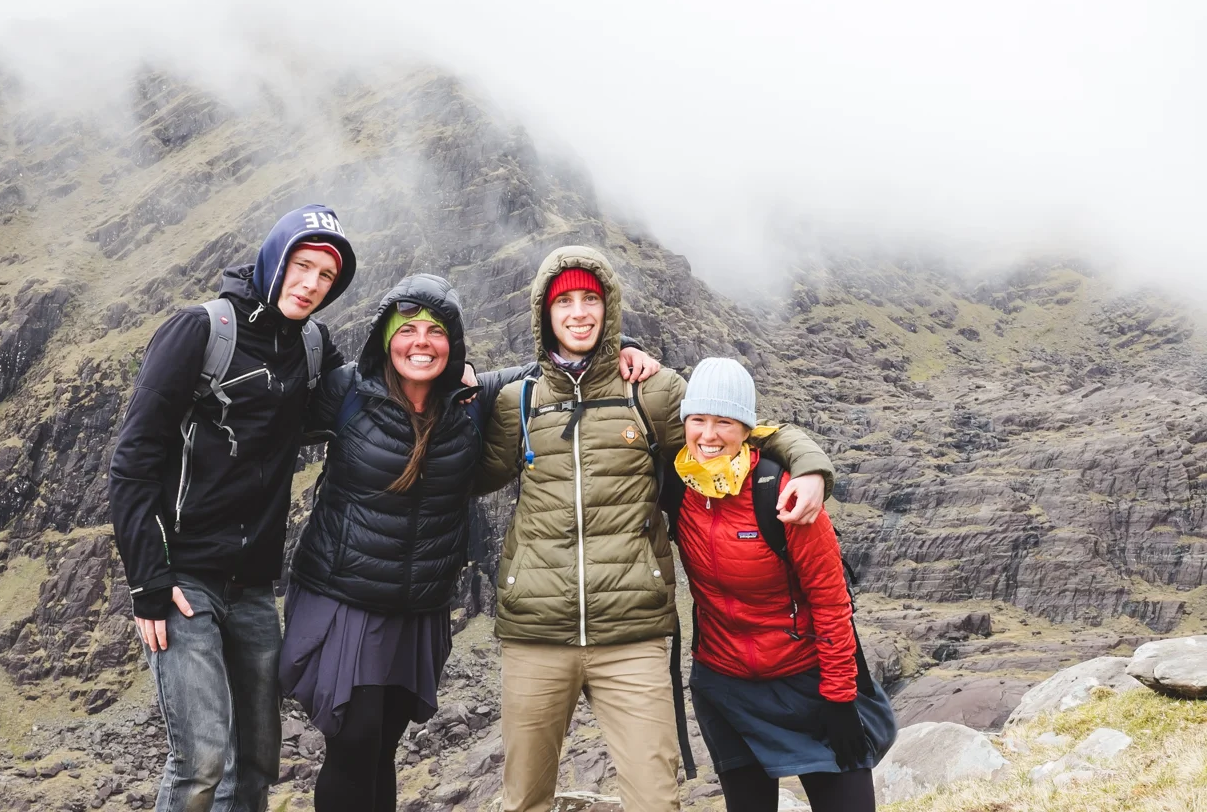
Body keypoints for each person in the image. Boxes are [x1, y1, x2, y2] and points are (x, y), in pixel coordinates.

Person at [281, 273, 661, 812]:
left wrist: (624, 346)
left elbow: (555, 367)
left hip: (417, 604)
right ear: (385, 338)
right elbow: (265, 424)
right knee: (355, 735)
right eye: (406, 330)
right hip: (346, 596)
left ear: (453, 342)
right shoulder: (347, 390)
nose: (421, 343)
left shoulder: (472, 399)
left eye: (435, 332)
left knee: (383, 742)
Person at [477, 246, 837, 812]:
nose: (578, 313)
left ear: (610, 308)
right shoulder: (518, 402)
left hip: (633, 634)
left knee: (655, 799)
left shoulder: (653, 391)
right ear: (543, 313)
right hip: (535, 633)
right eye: (563, 302)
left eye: (590, 299)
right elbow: (466, 474)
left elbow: (732, 427)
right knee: (523, 799)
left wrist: (809, 464)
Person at [108, 204, 358, 812]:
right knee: (200, 762)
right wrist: (148, 582)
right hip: (183, 581)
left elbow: (368, 389)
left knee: (256, 764)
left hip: (252, 590)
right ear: (275, 259)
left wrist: (465, 370)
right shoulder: (199, 331)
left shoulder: (313, 345)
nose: (311, 284)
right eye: (302, 266)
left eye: (326, 276)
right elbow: (133, 460)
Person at [674, 358, 896, 812]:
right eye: (698, 419)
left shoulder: (782, 492)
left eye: (724, 421)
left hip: (806, 683)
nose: (709, 435)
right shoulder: (677, 485)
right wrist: (629, 348)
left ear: (748, 429)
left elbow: (832, 602)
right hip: (726, 686)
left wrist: (839, 699)